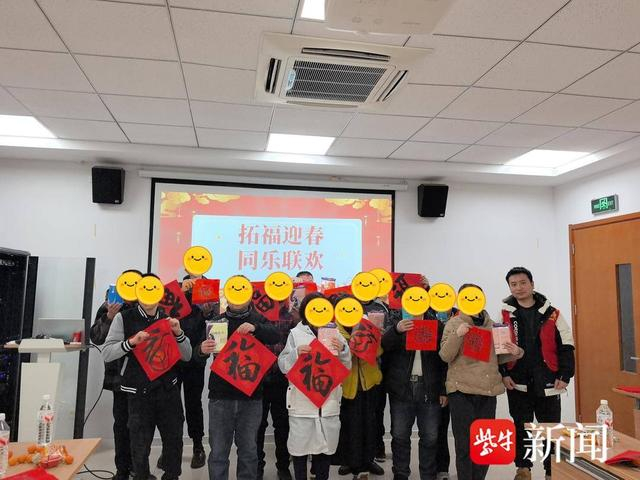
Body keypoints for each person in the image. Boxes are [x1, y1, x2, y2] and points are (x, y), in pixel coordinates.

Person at [101, 274, 192, 480]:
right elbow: (107, 353)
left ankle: (172, 476)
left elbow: (187, 355)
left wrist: (178, 333)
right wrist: (131, 343)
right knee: (139, 445)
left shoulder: (168, 318)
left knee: (174, 440)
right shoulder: (124, 317)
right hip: (138, 392)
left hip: (168, 390)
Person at [439, 284, 523, 480]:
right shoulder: (453, 323)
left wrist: (517, 352)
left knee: (485, 444)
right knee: (464, 444)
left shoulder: (494, 326)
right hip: (461, 391)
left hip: (487, 391)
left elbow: (499, 357)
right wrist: (458, 335)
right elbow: (445, 356)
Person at [196, 285, 279, 480]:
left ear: (249, 296)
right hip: (220, 396)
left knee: (249, 451)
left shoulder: (258, 319)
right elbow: (196, 355)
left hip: (251, 396)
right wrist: (201, 350)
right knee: (218, 452)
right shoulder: (216, 321)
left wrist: (256, 328)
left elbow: (275, 335)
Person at [500, 267, 575, 480]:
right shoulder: (505, 314)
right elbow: (499, 349)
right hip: (517, 381)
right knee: (521, 427)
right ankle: (523, 469)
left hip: (548, 380)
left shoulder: (553, 313)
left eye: (523, 283)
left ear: (532, 284)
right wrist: (504, 373)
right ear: (509, 287)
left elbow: (566, 345)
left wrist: (565, 375)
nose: (519, 288)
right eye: (514, 284)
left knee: (550, 429)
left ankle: (552, 471)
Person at [278, 292, 351, 480]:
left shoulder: (334, 332)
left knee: (325, 450)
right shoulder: (296, 333)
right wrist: (296, 353)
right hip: (301, 403)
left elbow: (346, 366)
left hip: (328, 403)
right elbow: (283, 364)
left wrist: (343, 350)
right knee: (299, 449)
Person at [381, 284, 447, 480]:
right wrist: (396, 330)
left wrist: (443, 389)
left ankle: (428, 474)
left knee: (430, 436)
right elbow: (383, 346)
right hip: (402, 387)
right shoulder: (396, 320)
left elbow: (445, 361)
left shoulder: (437, 325)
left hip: (430, 387)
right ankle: (401, 474)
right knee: (400, 435)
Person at [89, 272, 140, 480]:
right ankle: (122, 470)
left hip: (142, 376)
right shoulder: (109, 304)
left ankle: (139, 469)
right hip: (119, 377)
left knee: (140, 425)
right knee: (121, 424)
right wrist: (109, 316)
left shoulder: (148, 305)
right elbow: (96, 337)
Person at [333, 295, 383, 480]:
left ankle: (368, 460)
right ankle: (350, 461)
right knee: (349, 425)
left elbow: (379, 352)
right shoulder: (332, 330)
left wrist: (373, 336)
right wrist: (347, 347)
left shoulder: (367, 325)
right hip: (346, 385)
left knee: (370, 424)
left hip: (369, 383)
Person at [173, 274, 217, 469]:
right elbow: (164, 318)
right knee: (172, 407)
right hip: (173, 361)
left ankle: (198, 446)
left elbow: (216, 327)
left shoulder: (208, 301)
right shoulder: (174, 298)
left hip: (195, 360)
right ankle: (172, 447)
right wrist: (180, 293)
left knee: (193, 405)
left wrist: (207, 313)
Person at [255, 302, 296, 480]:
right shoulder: (256, 315)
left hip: (282, 378)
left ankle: (283, 466)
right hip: (258, 378)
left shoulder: (290, 316)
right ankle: (258, 466)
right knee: (257, 426)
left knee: (283, 425)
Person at [426, 305, 458, 480]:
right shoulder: (426, 316)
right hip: (437, 383)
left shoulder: (461, 315)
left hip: (462, 382)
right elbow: (438, 359)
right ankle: (439, 469)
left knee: (461, 432)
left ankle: (464, 470)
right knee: (437, 429)